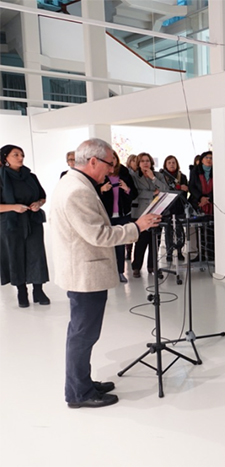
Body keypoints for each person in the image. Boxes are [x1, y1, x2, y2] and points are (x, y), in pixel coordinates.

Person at [51, 138, 161, 409]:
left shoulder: (75, 183)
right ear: (92, 161)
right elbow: (98, 234)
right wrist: (137, 227)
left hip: (83, 269)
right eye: (109, 164)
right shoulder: (77, 190)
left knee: (82, 332)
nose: (112, 170)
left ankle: (83, 383)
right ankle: (79, 393)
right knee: (83, 334)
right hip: (84, 273)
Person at [0, 144, 50, 307]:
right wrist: (14, 207)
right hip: (10, 223)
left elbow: (42, 196)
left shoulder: (31, 176)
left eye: (22, 155)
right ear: (5, 157)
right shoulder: (1, 177)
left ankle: (38, 289)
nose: (20, 158)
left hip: (32, 220)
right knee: (15, 255)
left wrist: (38, 203)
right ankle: (22, 291)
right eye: (16, 155)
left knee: (37, 254)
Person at [99, 152, 138, 283]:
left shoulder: (125, 174)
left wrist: (127, 189)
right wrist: (102, 190)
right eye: (109, 159)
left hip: (122, 215)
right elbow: (92, 194)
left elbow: (134, 194)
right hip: (107, 215)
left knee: (120, 244)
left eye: (114, 158)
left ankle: (120, 272)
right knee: (106, 245)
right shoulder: (100, 175)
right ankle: (107, 272)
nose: (112, 161)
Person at [131, 152, 169, 277]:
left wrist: (153, 178)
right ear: (138, 163)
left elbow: (165, 189)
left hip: (157, 211)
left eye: (147, 160)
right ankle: (136, 266)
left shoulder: (158, 175)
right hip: (141, 212)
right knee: (141, 241)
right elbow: (136, 193)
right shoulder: (134, 176)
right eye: (142, 161)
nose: (145, 163)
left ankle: (152, 266)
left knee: (155, 241)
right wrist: (152, 194)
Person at [160, 155, 188, 262]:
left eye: (173, 162)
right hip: (167, 208)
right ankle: (169, 252)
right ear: (165, 165)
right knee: (168, 231)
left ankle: (180, 251)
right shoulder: (162, 177)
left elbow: (185, 190)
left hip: (179, 207)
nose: (172, 165)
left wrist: (181, 189)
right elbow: (164, 190)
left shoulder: (182, 177)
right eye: (169, 163)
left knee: (179, 230)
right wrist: (178, 188)